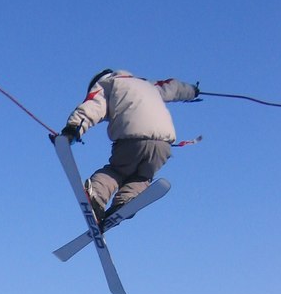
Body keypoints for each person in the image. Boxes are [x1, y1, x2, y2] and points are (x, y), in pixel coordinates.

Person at [59, 68, 199, 222]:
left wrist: (72, 129)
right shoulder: (149, 85)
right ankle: (126, 203)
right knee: (142, 177)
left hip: (132, 139)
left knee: (118, 171)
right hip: (163, 145)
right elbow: (174, 87)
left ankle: (96, 194)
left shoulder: (108, 84)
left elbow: (93, 107)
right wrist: (193, 91)